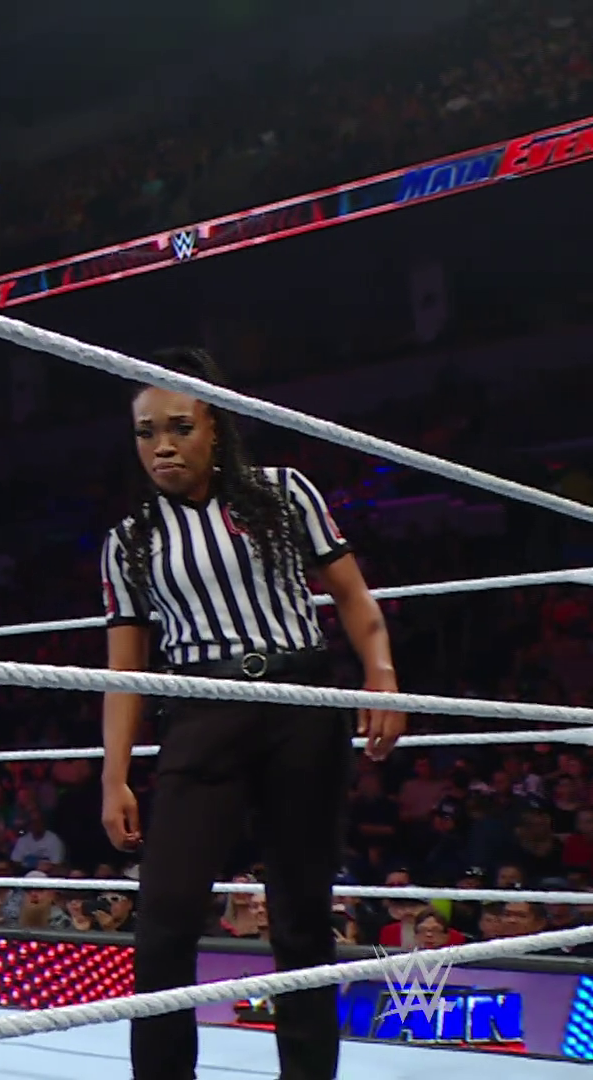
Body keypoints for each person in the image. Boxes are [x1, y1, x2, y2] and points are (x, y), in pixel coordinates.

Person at [97, 347, 407, 1080]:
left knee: (301, 916)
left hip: (301, 704)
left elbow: (353, 596)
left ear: (217, 426)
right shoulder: (131, 540)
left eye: (180, 427)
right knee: (165, 918)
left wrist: (382, 676)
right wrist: (114, 775)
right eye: (146, 432)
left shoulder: (284, 492)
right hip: (202, 712)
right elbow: (124, 670)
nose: (163, 446)